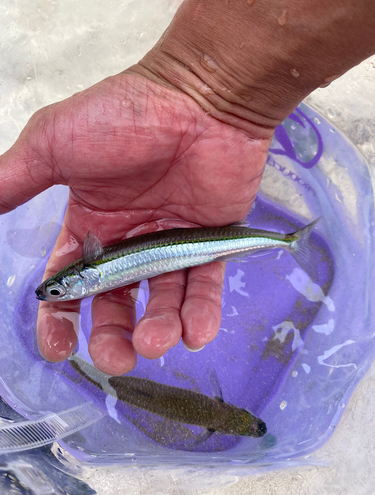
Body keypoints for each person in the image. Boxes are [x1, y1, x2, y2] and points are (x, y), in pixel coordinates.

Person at [0, 0, 374, 376]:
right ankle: (289, 241)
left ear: (82, 275)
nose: (56, 294)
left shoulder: (93, 267)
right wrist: (209, 94)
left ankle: (289, 241)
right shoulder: (92, 267)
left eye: (59, 290)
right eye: (56, 292)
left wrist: (203, 91)